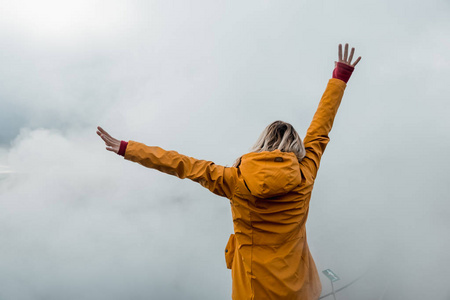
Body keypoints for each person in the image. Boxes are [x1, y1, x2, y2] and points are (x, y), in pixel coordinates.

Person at [97, 43, 361, 300]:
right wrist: (340, 78)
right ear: (295, 146)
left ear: (261, 142)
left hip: (252, 291)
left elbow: (180, 164)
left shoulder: (233, 180)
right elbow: (320, 129)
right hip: (299, 290)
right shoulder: (306, 174)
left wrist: (127, 148)